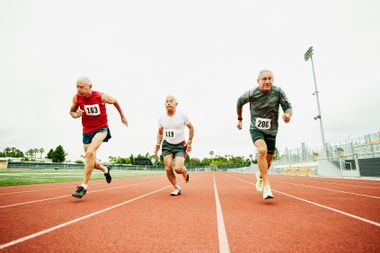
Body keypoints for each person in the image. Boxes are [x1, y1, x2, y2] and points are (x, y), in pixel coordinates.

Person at [236, 70, 292, 199]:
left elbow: (288, 107)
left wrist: (287, 115)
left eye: (270, 79)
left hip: (272, 131)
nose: (267, 81)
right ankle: (267, 187)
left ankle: (261, 176)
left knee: (268, 161)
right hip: (256, 128)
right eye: (264, 79)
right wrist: (240, 119)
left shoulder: (278, 92)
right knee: (262, 150)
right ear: (258, 81)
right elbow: (239, 101)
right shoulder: (251, 93)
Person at [70, 76, 128, 199]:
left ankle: (83, 186)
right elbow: (71, 112)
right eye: (77, 87)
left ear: (90, 87)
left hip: (101, 129)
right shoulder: (76, 97)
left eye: (82, 87)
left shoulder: (100, 96)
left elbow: (115, 101)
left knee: (90, 153)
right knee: (91, 161)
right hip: (86, 131)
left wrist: (122, 116)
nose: (79, 89)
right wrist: (76, 114)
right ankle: (105, 169)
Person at [154, 95, 194, 196]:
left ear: (176, 104)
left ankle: (184, 170)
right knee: (168, 168)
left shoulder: (182, 116)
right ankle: (176, 187)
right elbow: (160, 132)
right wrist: (157, 144)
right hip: (167, 144)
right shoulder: (161, 118)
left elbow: (191, 128)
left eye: (171, 101)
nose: (168, 103)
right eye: (166, 101)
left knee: (178, 169)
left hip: (180, 145)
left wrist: (189, 142)